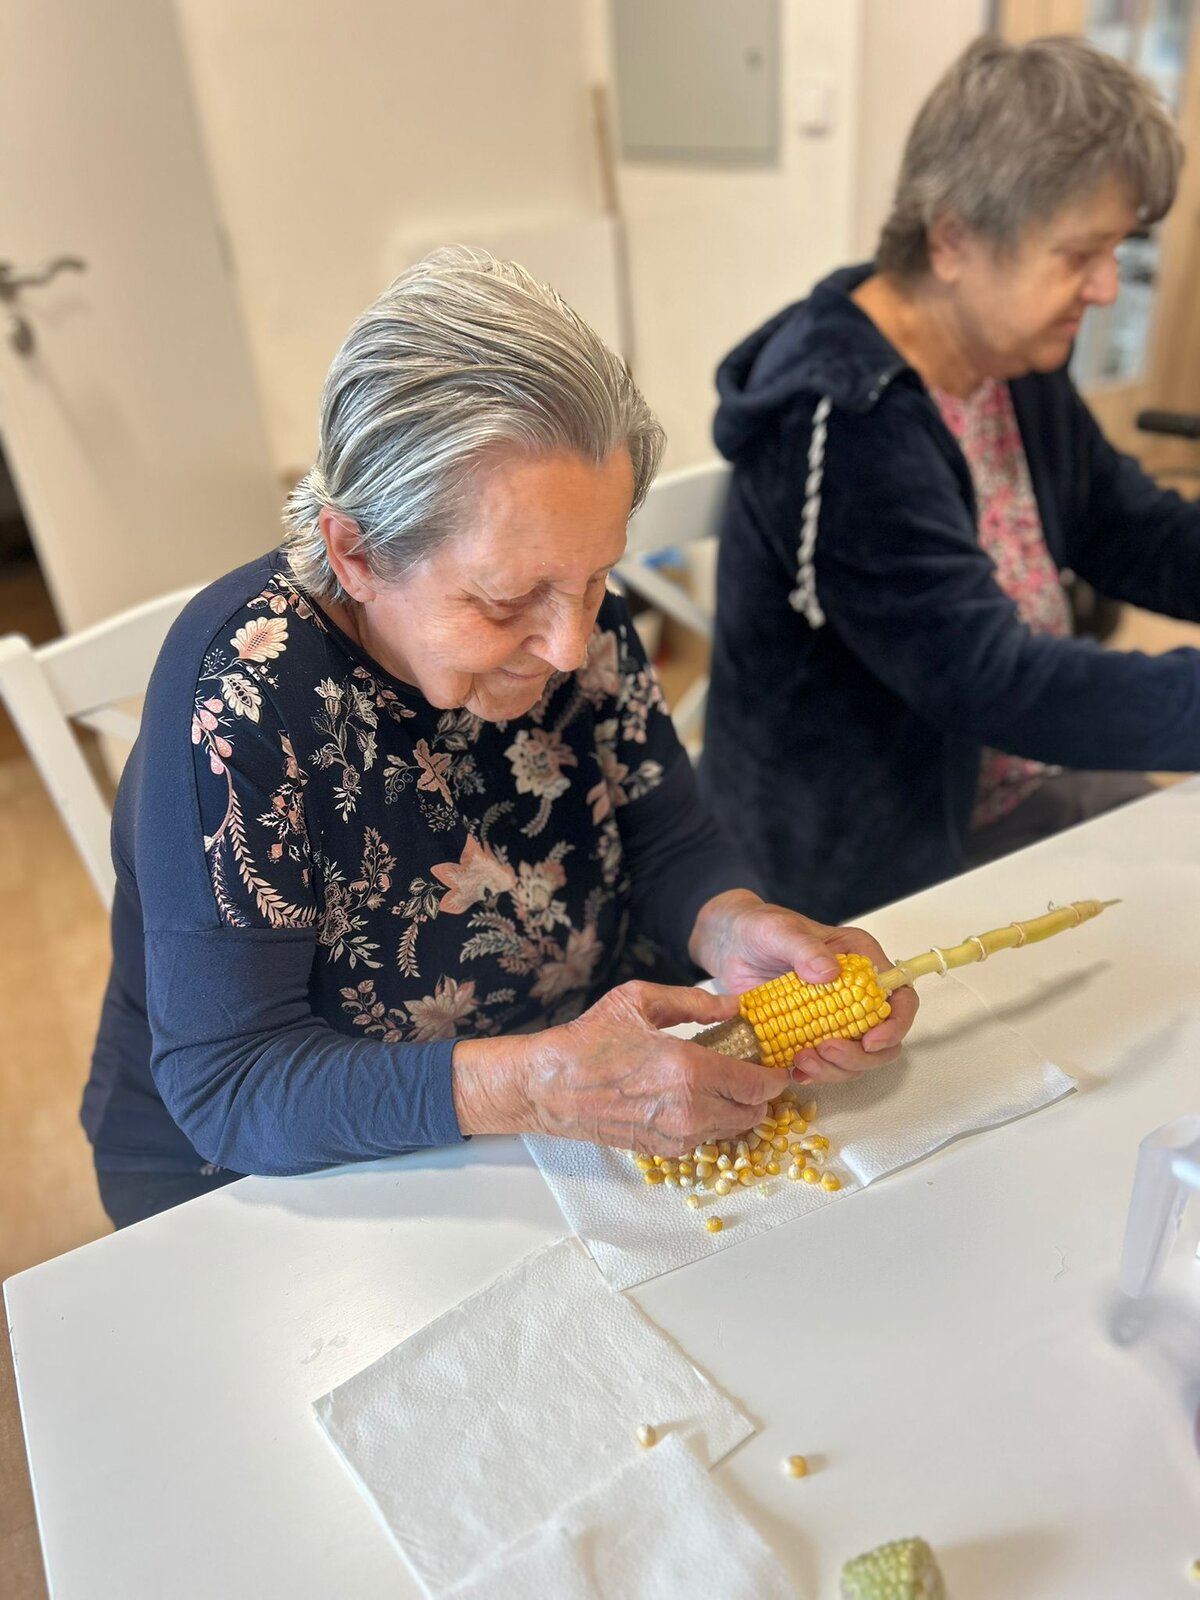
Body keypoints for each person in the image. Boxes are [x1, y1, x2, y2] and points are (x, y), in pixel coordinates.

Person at [83, 249, 916, 1229]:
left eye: (597, 577)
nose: (569, 645)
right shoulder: (240, 701)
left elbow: (666, 842)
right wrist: (534, 1086)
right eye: (506, 599)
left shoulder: (574, 618)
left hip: (544, 1109)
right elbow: (233, 1084)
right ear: (357, 553)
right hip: (269, 1177)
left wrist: (730, 927)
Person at [700, 35, 1200, 926]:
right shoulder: (843, 415)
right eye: (1079, 255)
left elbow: (1127, 526)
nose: (1105, 289)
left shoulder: (1009, 356)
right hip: (871, 869)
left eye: (1117, 252)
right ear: (953, 237)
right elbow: (992, 680)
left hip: (1010, 788)